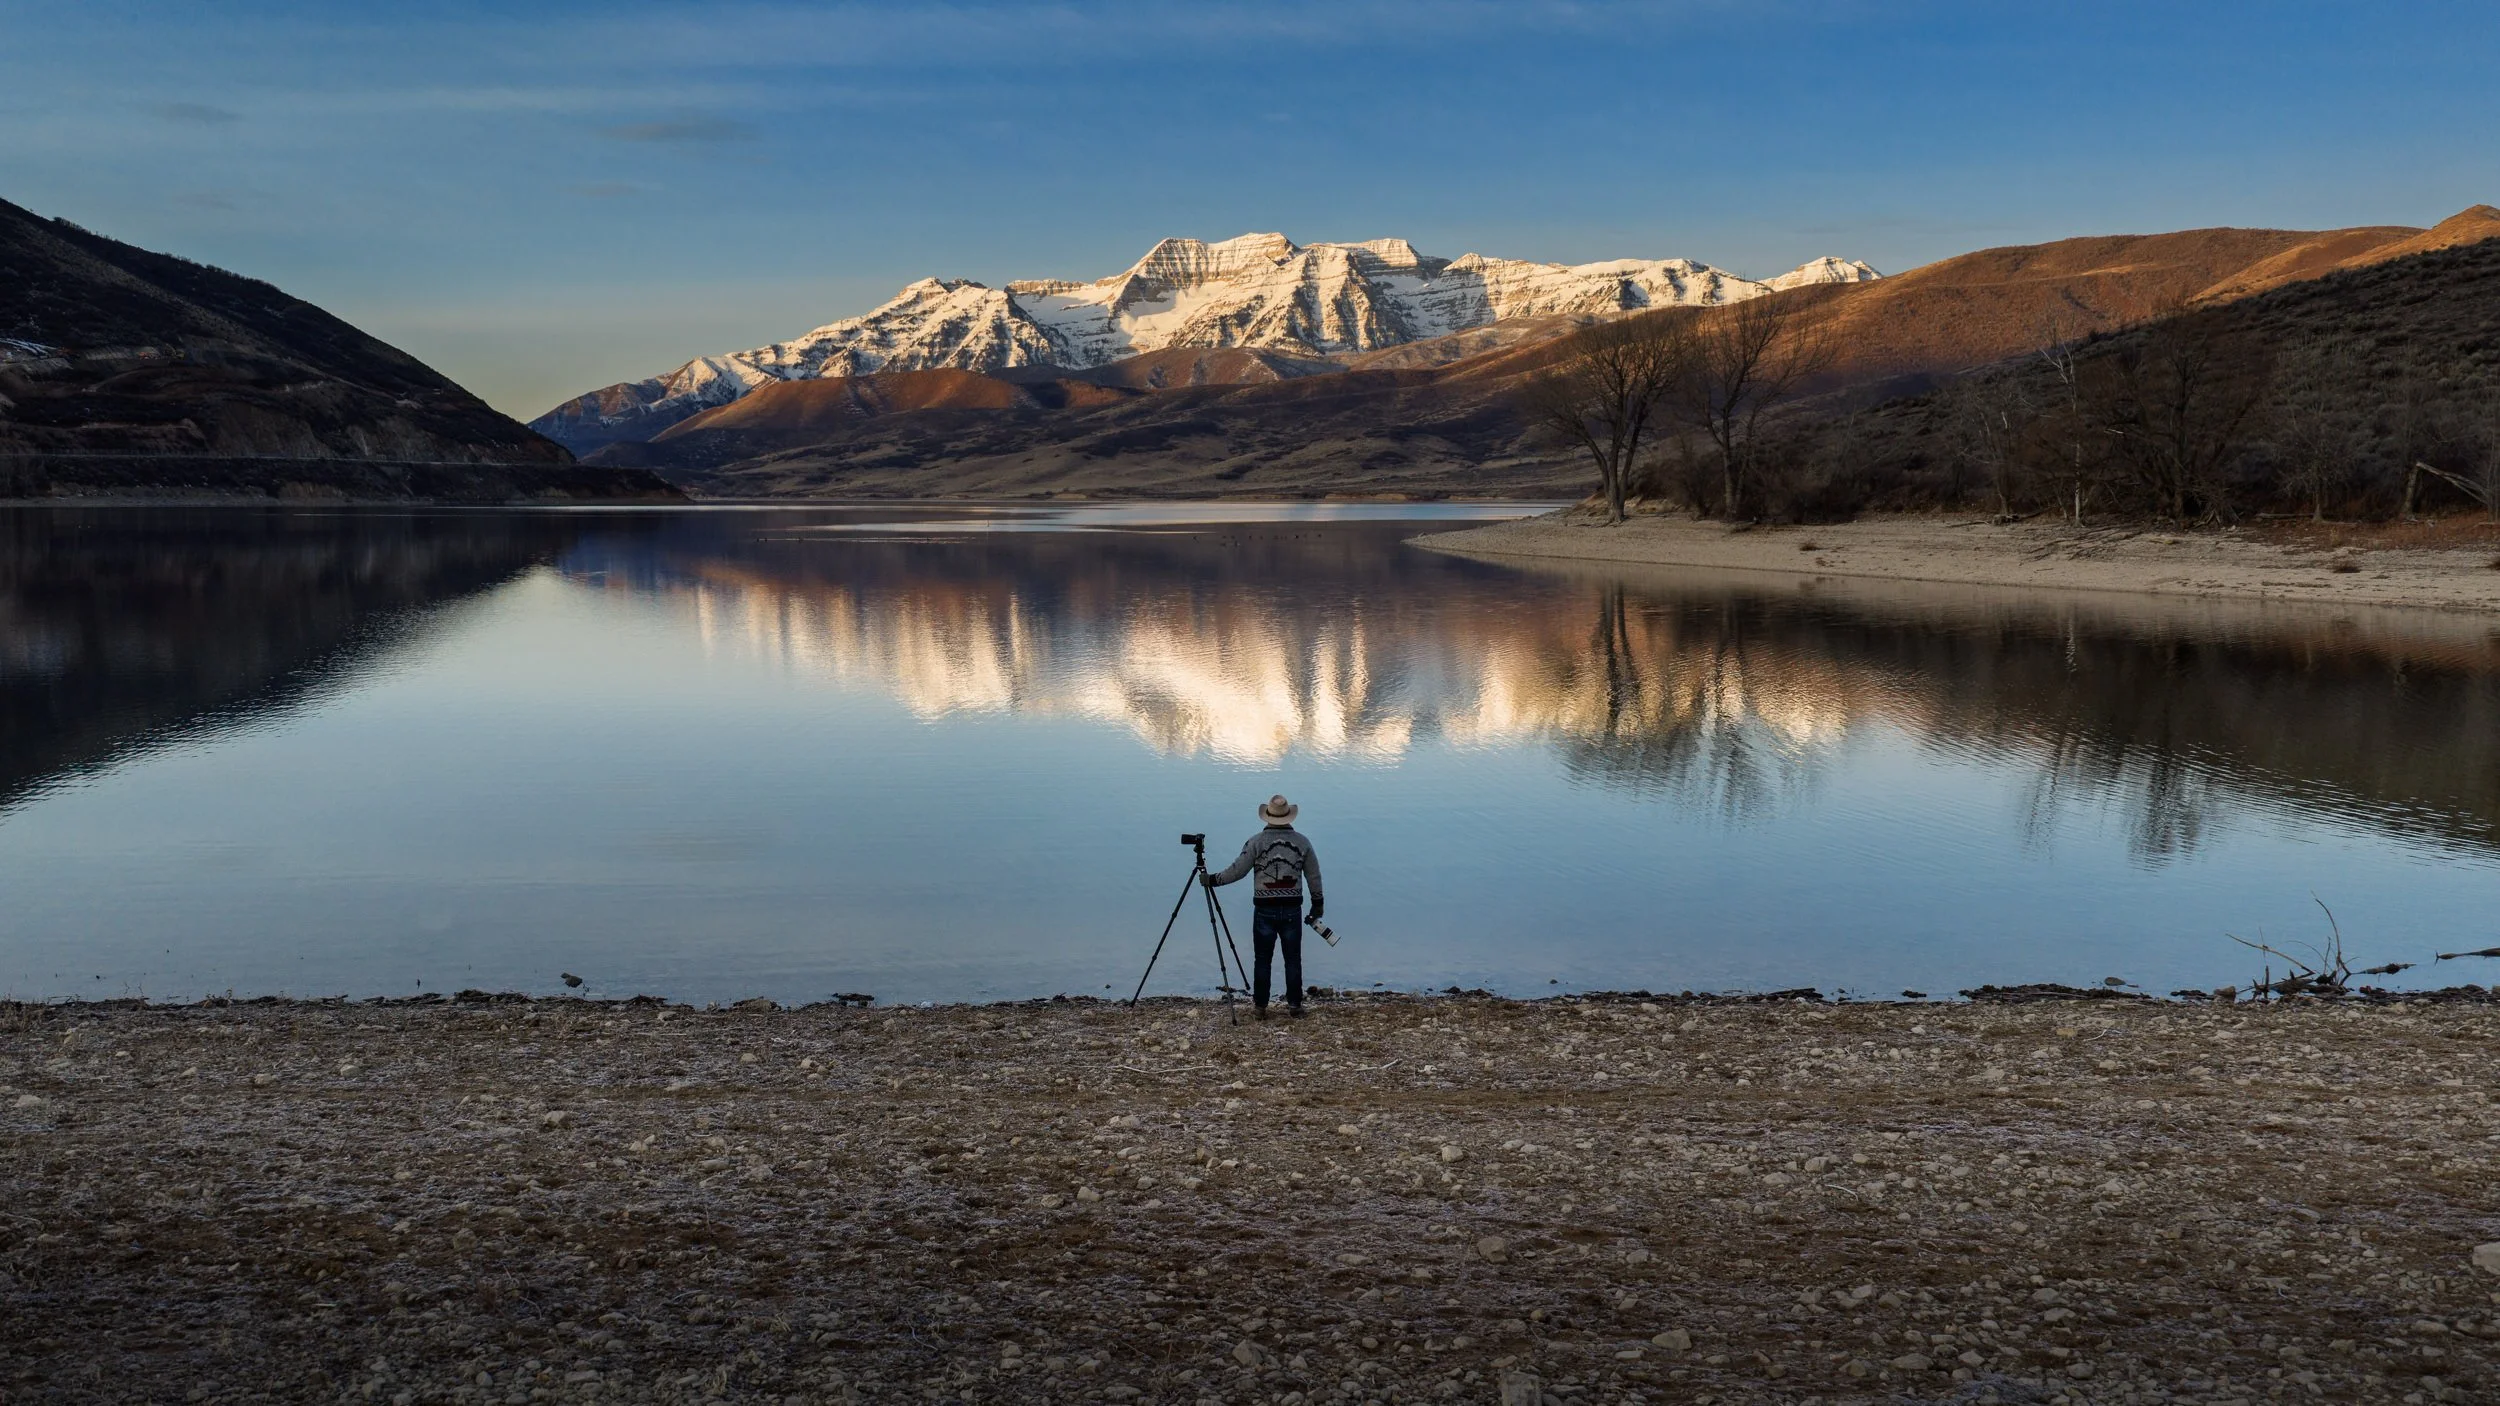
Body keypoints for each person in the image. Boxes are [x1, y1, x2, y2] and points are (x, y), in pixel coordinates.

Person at [1204, 794, 1323, 1019]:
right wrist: (1318, 904)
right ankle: (1295, 1006)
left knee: (1262, 959)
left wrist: (1212, 880)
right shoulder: (1303, 842)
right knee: (1293, 959)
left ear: (1267, 817)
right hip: (1292, 910)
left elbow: (1237, 871)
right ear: (1289, 817)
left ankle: (1260, 1007)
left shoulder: (1255, 842)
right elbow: (1314, 876)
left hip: (1264, 910)